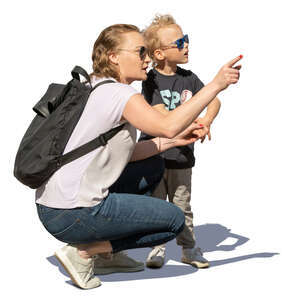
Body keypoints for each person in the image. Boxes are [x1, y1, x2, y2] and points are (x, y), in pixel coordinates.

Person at [35, 23, 242, 289]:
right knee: (174, 221)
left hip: (54, 208)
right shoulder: (120, 94)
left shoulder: (95, 85)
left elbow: (127, 154)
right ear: (113, 56)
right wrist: (215, 85)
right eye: (140, 52)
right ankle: (85, 253)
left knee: (153, 165)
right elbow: (167, 124)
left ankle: (108, 256)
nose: (147, 58)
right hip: (73, 214)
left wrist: (174, 141)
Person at [139, 14, 223, 269]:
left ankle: (188, 248)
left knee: (182, 206)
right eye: (180, 42)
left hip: (182, 157)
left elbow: (214, 99)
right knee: (155, 207)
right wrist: (193, 123)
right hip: (155, 155)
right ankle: (156, 248)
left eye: (186, 39)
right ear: (159, 53)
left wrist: (206, 121)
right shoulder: (150, 80)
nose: (186, 45)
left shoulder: (190, 78)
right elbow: (161, 113)